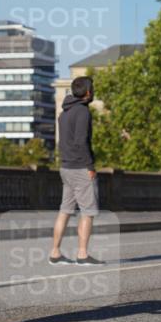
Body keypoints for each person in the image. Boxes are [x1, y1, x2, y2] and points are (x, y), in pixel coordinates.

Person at [50, 76, 104, 265]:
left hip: (66, 166)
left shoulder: (64, 112)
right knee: (87, 212)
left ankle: (55, 252)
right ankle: (82, 254)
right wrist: (90, 166)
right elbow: (81, 141)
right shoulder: (82, 111)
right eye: (92, 88)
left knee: (64, 210)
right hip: (81, 168)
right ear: (88, 92)